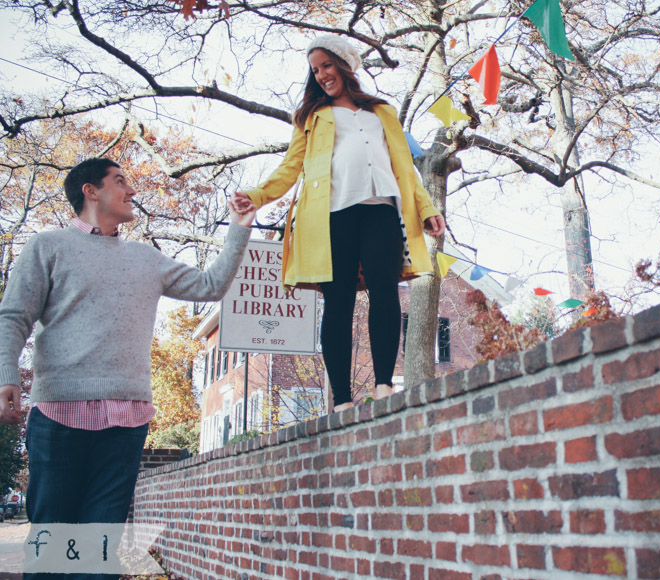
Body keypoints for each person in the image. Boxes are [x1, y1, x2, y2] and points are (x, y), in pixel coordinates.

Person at [0, 158, 255, 580]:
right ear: (91, 191)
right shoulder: (48, 246)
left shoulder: (146, 259)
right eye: (121, 181)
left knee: (98, 559)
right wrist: (7, 374)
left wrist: (239, 226)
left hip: (126, 421)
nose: (132, 191)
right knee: (50, 552)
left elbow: (210, 286)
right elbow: (13, 317)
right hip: (59, 415)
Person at [233, 35, 446, 413]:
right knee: (338, 301)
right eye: (315, 70)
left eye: (327, 66)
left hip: (381, 208)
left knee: (385, 290)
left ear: (345, 65)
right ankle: (342, 400)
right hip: (332, 215)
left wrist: (426, 207)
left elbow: (405, 169)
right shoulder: (311, 117)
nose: (322, 75)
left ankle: (383, 385)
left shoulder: (382, 112)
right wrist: (259, 194)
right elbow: (290, 168)